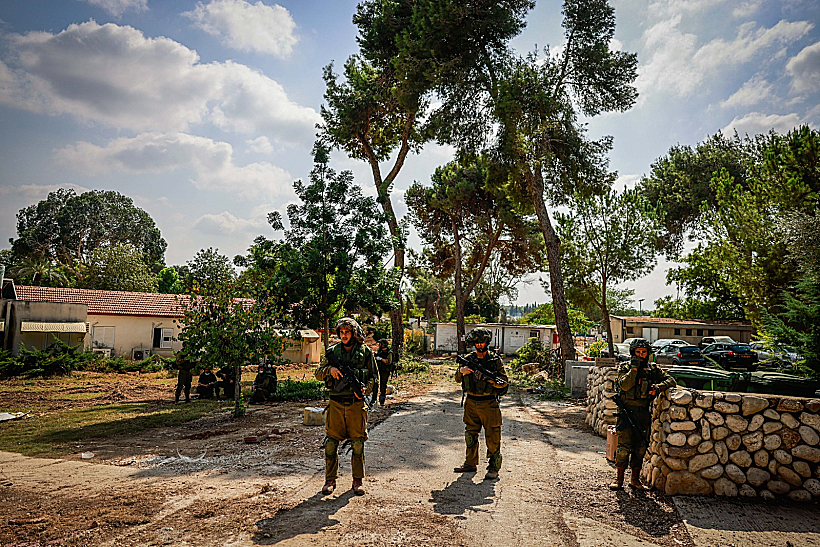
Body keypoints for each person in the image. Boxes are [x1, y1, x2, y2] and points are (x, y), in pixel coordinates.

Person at [315, 317, 378, 496]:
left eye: (347, 332)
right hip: (335, 404)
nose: (344, 335)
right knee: (331, 444)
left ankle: (357, 480)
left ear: (353, 333)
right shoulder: (332, 352)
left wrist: (367, 390)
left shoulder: (365, 352)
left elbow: (374, 376)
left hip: (356, 405)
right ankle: (330, 480)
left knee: (357, 443)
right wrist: (330, 371)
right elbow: (318, 373)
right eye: (341, 332)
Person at [611, 338, 677, 490]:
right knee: (623, 448)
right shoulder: (625, 368)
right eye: (637, 352)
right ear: (632, 353)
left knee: (640, 447)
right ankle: (618, 479)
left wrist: (658, 387)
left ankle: (635, 480)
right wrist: (634, 369)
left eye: (643, 352)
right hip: (626, 414)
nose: (640, 355)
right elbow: (625, 386)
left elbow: (671, 380)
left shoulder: (652, 369)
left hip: (643, 414)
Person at [454, 327, 508, 480]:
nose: (479, 345)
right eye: (477, 342)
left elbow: (503, 383)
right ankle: (470, 463)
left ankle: (493, 467)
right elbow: (457, 378)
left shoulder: (494, 360)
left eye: (482, 342)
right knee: (470, 434)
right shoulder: (469, 358)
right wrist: (461, 371)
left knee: (492, 436)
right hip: (471, 402)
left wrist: (489, 379)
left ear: (487, 342)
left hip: (488, 403)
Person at [374, 338, 393, 405]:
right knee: (375, 383)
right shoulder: (380, 351)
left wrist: (381, 359)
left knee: (383, 384)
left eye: (380, 344)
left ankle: (382, 400)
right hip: (378, 369)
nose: (379, 345)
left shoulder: (389, 352)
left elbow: (388, 362)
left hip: (385, 370)